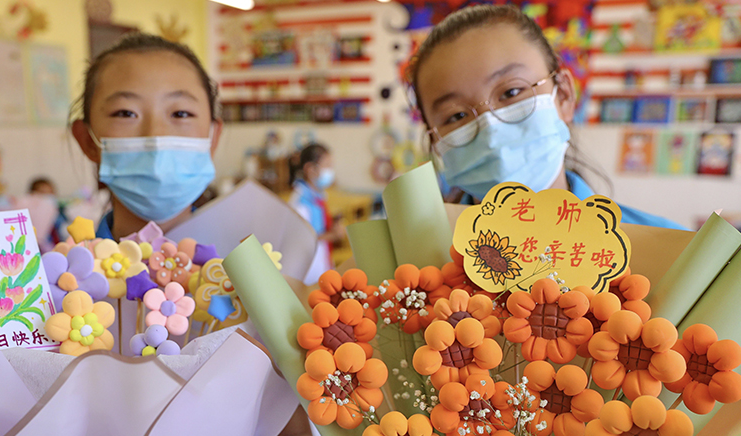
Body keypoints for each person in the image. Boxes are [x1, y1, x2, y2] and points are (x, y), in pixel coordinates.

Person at [70, 32, 317, 436]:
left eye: (181, 113)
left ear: (213, 134)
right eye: (126, 114)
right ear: (88, 140)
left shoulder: (257, 277)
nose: (158, 136)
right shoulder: (60, 283)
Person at [407, 4, 687, 230]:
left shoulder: (671, 251)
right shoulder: (407, 259)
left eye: (511, 92)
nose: (490, 132)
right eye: (456, 115)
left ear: (563, 94)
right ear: (435, 140)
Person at [288, 143, 344, 283]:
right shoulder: (300, 201)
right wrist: (332, 235)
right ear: (310, 169)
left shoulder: (317, 196)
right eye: (327, 166)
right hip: (309, 269)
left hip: (322, 262)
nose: (330, 171)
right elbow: (301, 239)